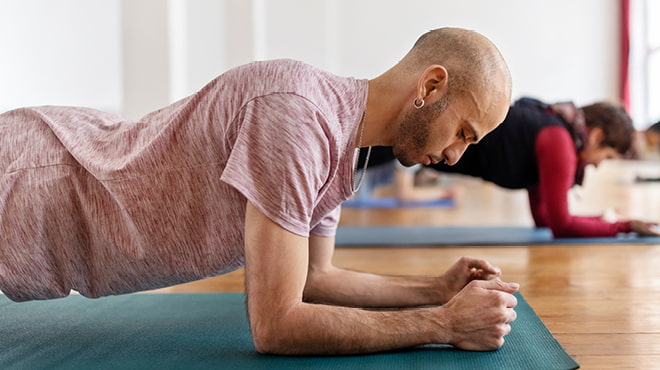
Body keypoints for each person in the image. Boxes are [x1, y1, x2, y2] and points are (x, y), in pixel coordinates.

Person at [0, 28, 516, 355]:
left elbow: (316, 279)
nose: (455, 156)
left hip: (55, 198)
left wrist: (437, 287)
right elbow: (278, 324)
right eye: (464, 133)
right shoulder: (299, 120)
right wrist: (443, 324)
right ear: (430, 88)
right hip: (35, 181)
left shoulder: (340, 144)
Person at [422, 97, 660, 238]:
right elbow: (561, 225)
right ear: (596, 136)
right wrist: (625, 226)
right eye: (607, 156)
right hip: (426, 132)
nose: (598, 165)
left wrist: (602, 220)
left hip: (430, 144)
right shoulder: (559, 143)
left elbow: (544, 219)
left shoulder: (554, 132)